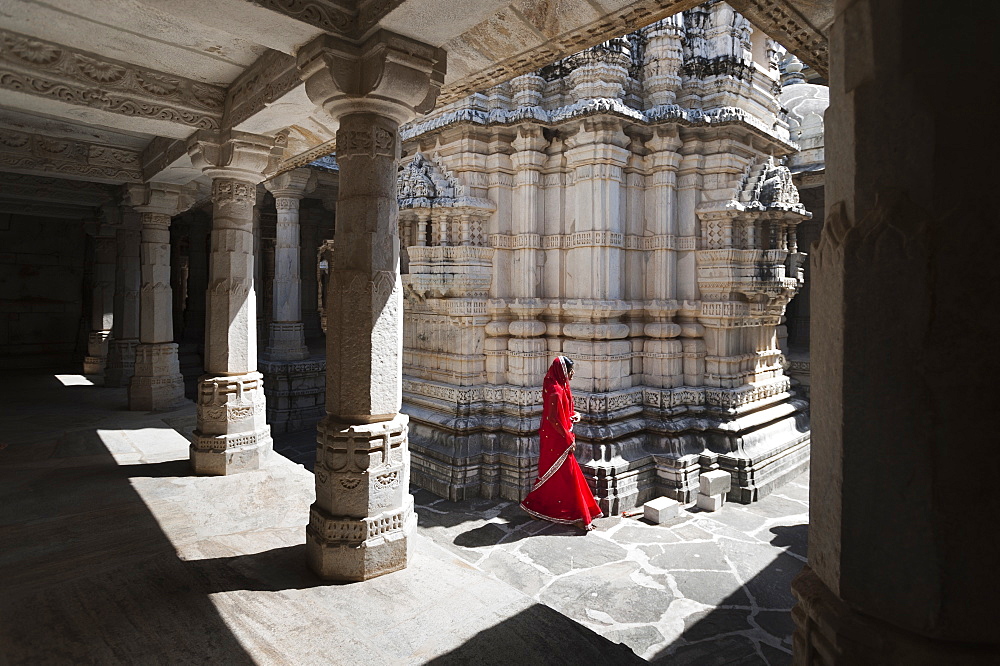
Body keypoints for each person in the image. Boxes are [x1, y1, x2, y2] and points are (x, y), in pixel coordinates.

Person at [520, 356, 603, 531]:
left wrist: (574, 415)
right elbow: (553, 419)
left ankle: (533, 506)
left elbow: (560, 412)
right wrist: (568, 439)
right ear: (563, 371)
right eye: (571, 371)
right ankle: (577, 516)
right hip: (557, 439)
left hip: (557, 435)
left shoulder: (559, 386)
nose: (572, 375)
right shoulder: (556, 391)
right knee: (568, 476)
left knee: (556, 476)